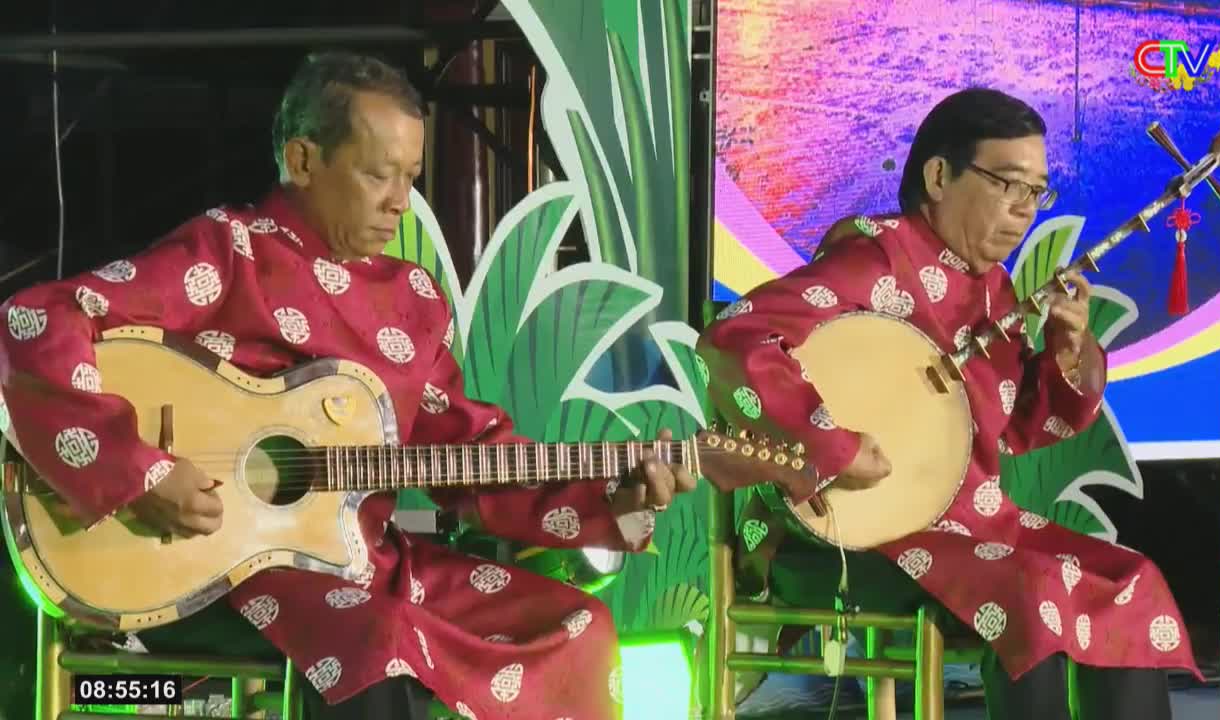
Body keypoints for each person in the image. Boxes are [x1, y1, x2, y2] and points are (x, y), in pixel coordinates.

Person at [0, 52, 698, 720]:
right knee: (377, 635)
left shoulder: (416, 299)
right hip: (226, 572)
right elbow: (34, 318)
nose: (400, 202)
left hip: (364, 567)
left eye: (412, 178)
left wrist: (613, 490)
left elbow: (471, 455)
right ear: (304, 159)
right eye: (377, 175)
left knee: (580, 623)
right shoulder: (232, 251)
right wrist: (142, 471)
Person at [696, 87, 1200, 719]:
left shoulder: (995, 288)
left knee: (1129, 577)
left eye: (1036, 193)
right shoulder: (870, 261)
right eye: (1007, 184)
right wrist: (835, 445)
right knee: (1034, 588)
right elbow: (736, 338)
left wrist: (1066, 346)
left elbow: (1018, 431)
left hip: (975, 526)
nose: (1023, 211)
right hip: (852, 538)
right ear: (939, 175)